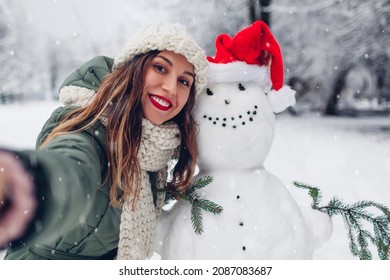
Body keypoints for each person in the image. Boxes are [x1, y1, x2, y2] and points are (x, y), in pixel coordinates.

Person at [0, 22, 208, 260]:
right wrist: (25, 185)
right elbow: (71, 169)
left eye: (184, 81)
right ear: (134, 69)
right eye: (160, 68)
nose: (171, 88)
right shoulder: (90, 128)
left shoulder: (154, 148)